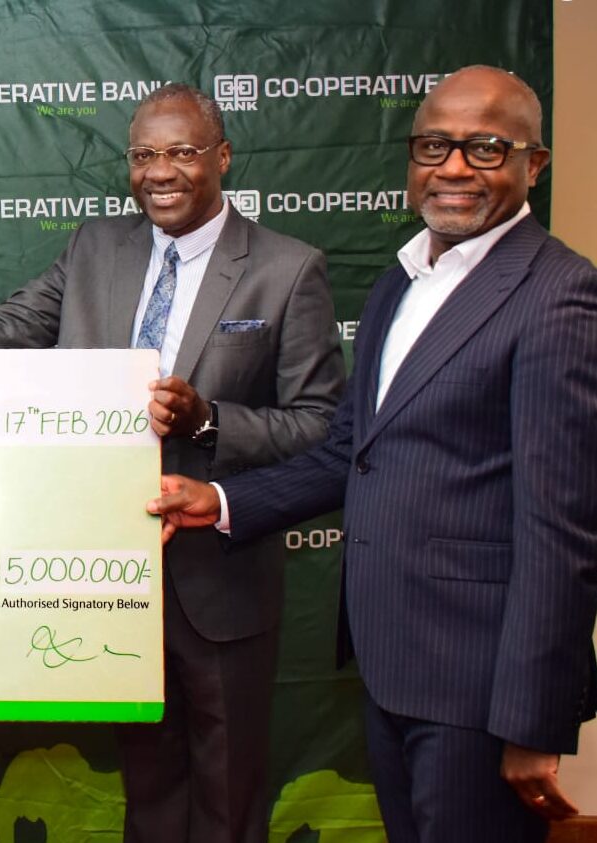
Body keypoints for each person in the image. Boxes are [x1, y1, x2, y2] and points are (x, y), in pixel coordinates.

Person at [0, 84, 346, 843]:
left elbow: (319, 427)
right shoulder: (96, 248)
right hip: (105, 574)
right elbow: (3, 331)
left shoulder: (287, 268)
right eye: (143, 155)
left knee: (228, 791)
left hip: (219, 578)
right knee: (149, 787)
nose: (159, 171)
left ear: (221, 157)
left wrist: (209, 419)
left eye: (181, 152)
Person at [149, 66, 597, 843]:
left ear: (535, 164)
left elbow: (561, 532)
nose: (453, 168)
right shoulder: (400, 280)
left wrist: (533, 721)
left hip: (479, 689)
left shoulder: (558, 294)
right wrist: (218, 502)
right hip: (389, 664)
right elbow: (349, 453)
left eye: (485, 148)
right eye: (433, 145)